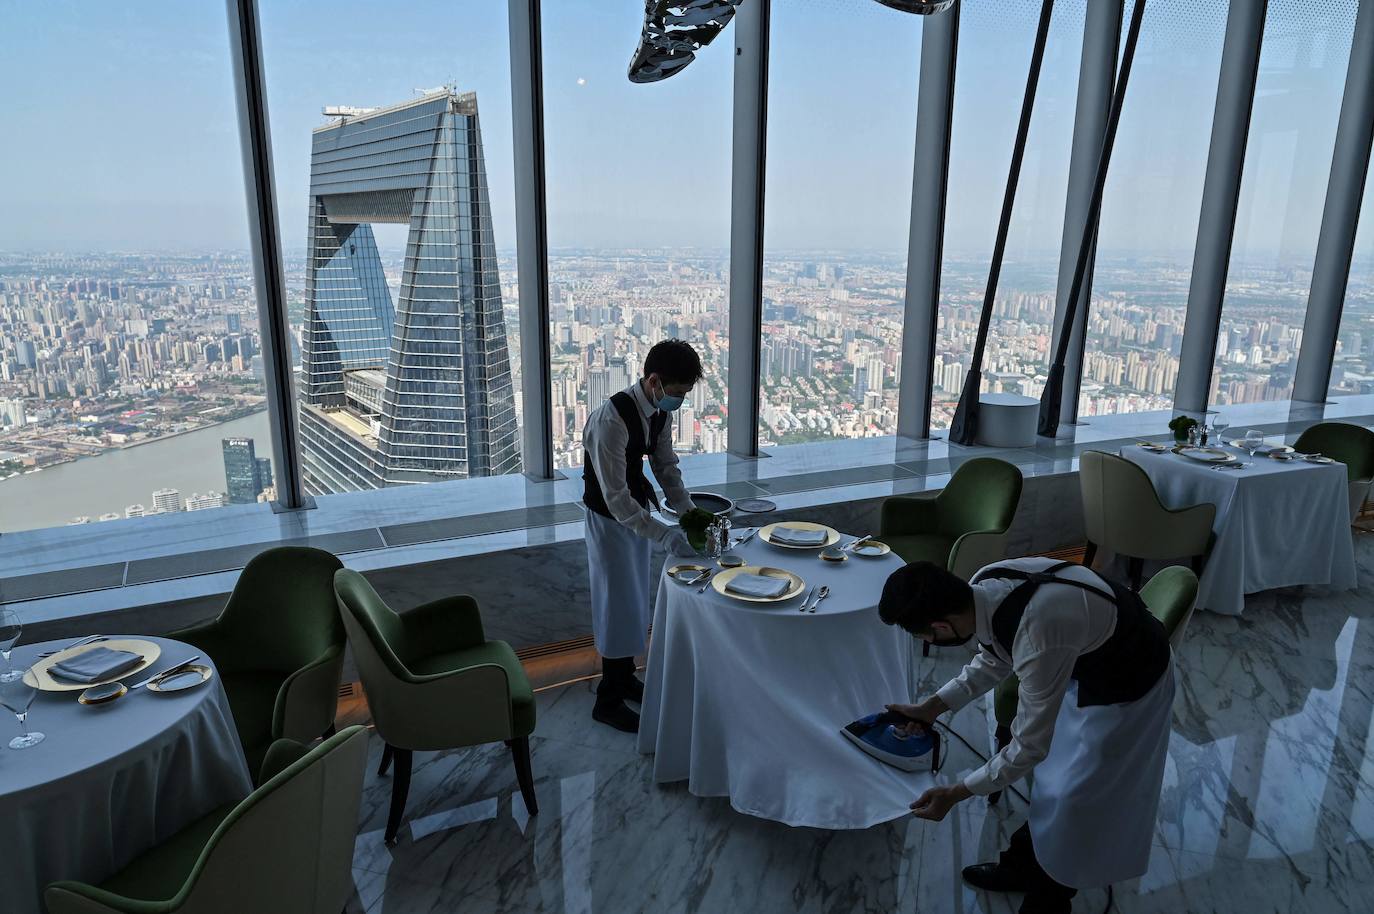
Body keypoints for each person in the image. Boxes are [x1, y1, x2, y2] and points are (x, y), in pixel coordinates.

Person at [879, 556, 1174, 914]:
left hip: (1130, 687)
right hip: (1083, 661)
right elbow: (995, 657)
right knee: (1053, 787)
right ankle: (1020, 867)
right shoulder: (983, 584)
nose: (926, 641)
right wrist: (932, 707)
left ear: (941, 625)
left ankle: (1048, 902)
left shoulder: (1038, 634)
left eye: (923, 636)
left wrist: (957, 792)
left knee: (1077, 804)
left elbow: (1028, 748)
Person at [582, 340, 702, 733]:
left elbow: (666, 466)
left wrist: (687, 512)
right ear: (654, 381)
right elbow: (616, 499)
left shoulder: (658, 413)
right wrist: (666, 537)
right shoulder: (610, 421)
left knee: (633, 605)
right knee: (615, 607)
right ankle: (607, 700)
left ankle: (624, 678)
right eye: (677, 391)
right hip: (609, 522)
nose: (679, 400)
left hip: (636, 517)